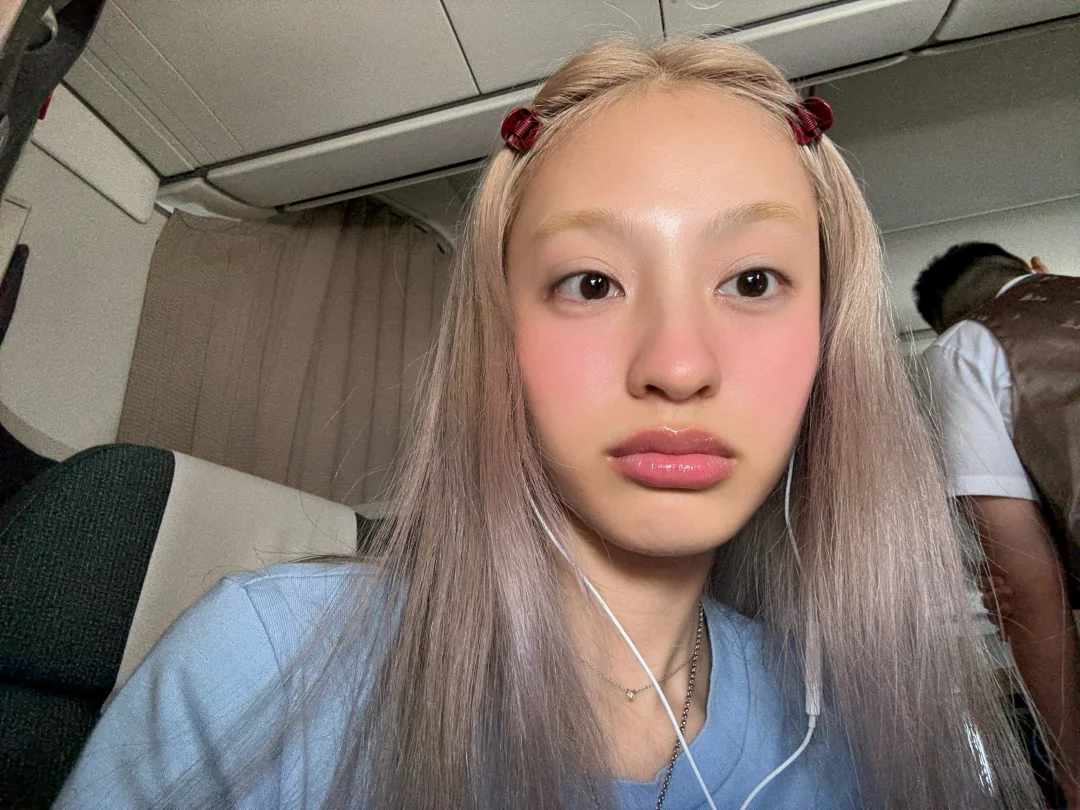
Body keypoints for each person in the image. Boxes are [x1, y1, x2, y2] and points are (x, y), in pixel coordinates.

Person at [55, 40, 1043, 810]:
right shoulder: (262, 668)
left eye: (752, 281)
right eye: (591, 283)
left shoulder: (864, 727)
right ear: (501, 337)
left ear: (825, 343)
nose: (677, 366)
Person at [916, 242, 1080, 809]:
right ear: (1038, 268)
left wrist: (1072, 768)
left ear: (947, 323)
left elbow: (1026, 586)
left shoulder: (963, 352)